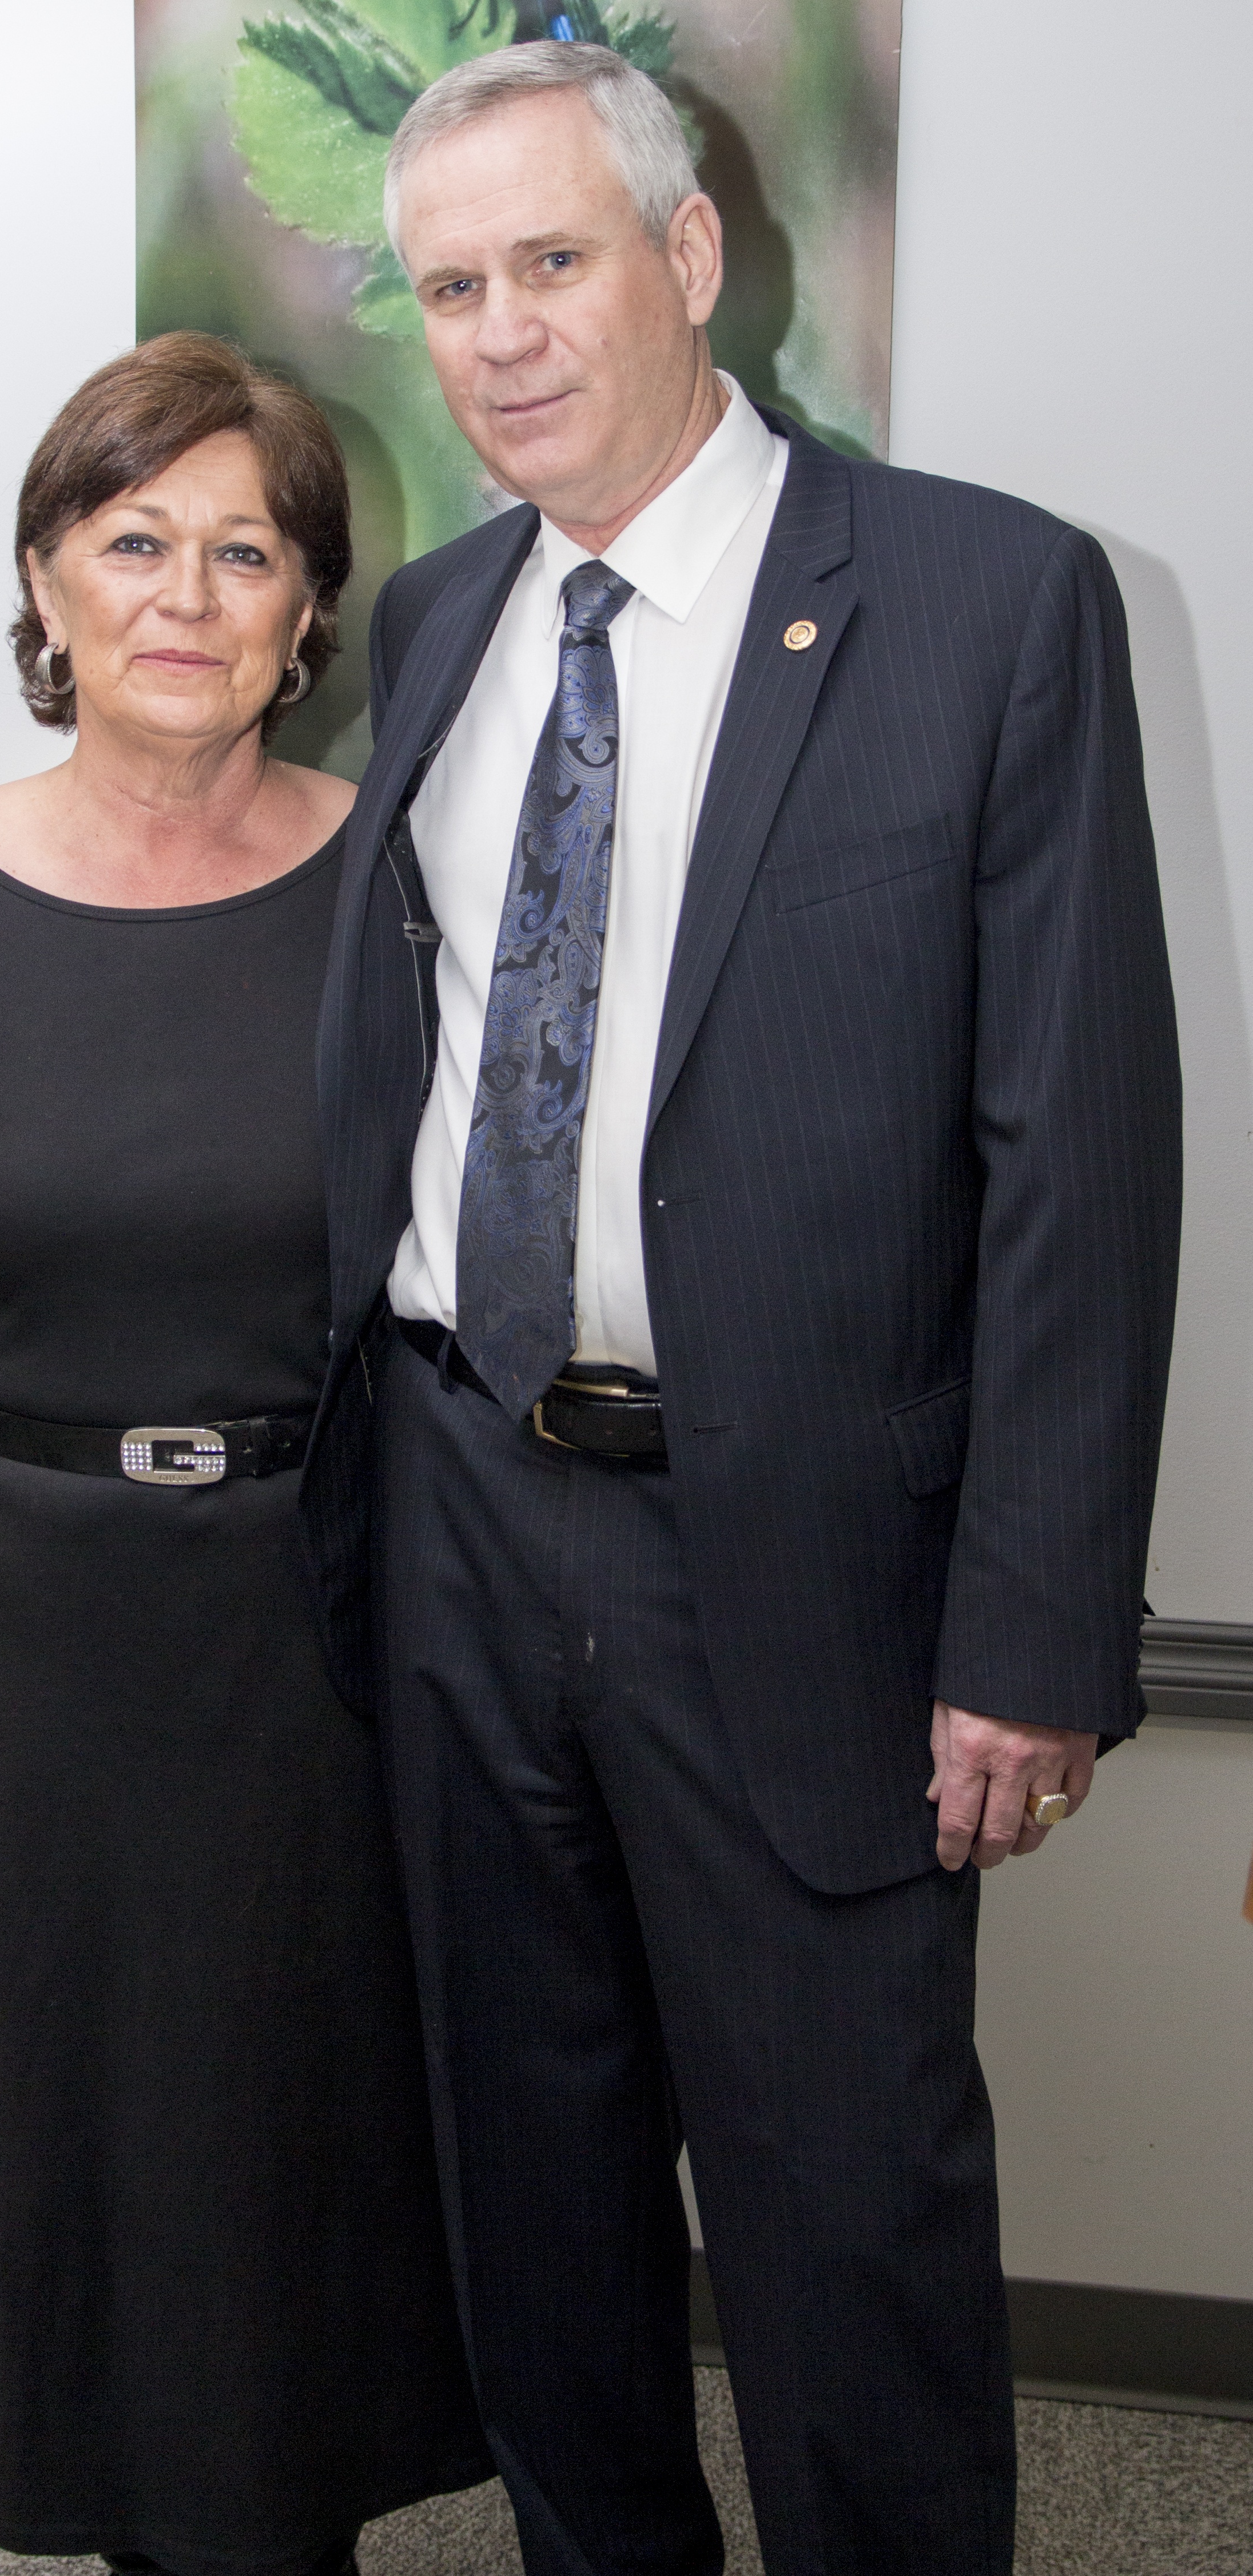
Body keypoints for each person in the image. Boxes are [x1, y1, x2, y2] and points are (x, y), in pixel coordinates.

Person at [301, 42, 1183, 2576]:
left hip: (796, 1562)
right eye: (449, 286)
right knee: (539, 2218)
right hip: (471, 1518)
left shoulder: (990, 600)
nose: (495, 336)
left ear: (688, 262)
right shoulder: (439, 617)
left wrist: (1029, 1628)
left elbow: (1074, 1163)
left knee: (846, 2237)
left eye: (550, 262)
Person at [0, 332, 488, 2575]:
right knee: (90, 2153)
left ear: (306, 613)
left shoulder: (405, 886)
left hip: (327, 1621)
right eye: (132, 538)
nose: (185, 589)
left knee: (297, 2154)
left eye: (243, 547)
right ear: (46, 583)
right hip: (30, 1644)